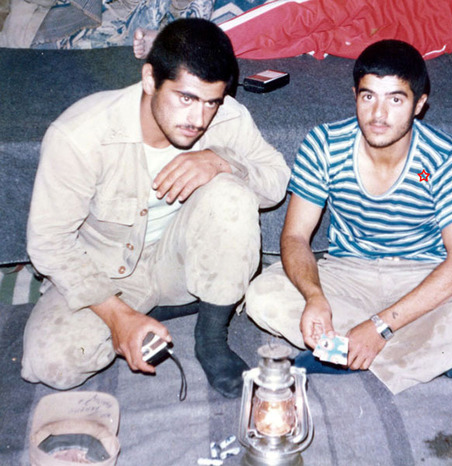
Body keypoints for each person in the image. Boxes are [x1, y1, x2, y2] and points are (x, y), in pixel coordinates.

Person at [22, 18, 290, 398]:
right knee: (52, 363)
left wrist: (220, 161)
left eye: (211, 102)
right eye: (186, 98)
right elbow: (48, 243)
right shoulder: (80, 136)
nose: (199, 120)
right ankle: (162, 306)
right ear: (150, 79)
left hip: (179, 259)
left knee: (231, 192)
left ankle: (211, 335)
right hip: (106, 270)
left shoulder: (227, 117)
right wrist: (117, 315)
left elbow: (276, 179)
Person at [245, 39, 452, 395]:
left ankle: (345, 352)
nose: (378, 114)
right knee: (262, 293)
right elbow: (295, 237)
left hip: (422, 279)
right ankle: (423, 355)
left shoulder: (445, 158)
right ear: (354, 96)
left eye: (395, 99)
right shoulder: (324, 145)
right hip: (347, 273)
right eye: (368, 97)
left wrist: (380, 326)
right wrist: (314, 297)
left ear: (419, 105)